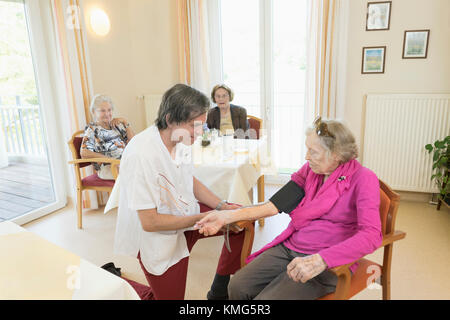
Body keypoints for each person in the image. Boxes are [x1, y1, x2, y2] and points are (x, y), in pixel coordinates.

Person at [195, 117, 383, 300]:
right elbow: (274, 205)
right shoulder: (310, 170)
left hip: (327, 261)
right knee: (237, 286)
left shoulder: (363, 178)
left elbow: (372, 234)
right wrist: (226, 216)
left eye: (313, 152)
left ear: (337, 154)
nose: (307, 156)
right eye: (307, 149)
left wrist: (321, 260)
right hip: (291, 247)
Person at [113, 83, 247, 300]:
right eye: (194, 125)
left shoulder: (181, 140)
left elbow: (188, 180)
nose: (199, 132)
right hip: (156, 235)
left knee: (241, 221)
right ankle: (120, 286)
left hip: (185, 213)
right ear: (169, 120)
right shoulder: (141, 154)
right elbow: (150, 222)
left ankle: (219, 291)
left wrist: (222, 206)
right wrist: (205, 217)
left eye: (201, 125)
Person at [80, 94, 135, 179]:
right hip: (108, 168)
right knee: (135, 176)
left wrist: (125, 122)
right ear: (94, 112)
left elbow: (134, 143)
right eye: (102, 111)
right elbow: (84, 152)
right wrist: (109, 159)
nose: (107, 114)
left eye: (109, 110)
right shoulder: (92, 129)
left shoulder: (115, 126)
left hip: (124, 163)